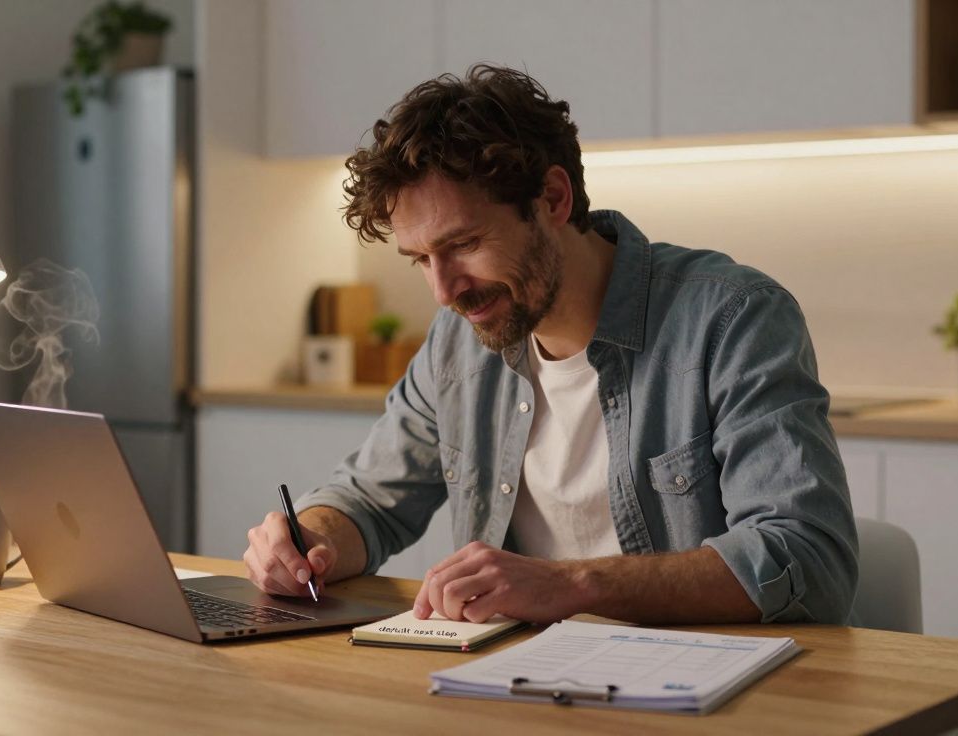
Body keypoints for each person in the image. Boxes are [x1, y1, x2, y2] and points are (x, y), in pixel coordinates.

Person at [242, 65, 858, 625]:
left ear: (554, 199)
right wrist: (308, 540)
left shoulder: (731, 318)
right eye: (420, 260)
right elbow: (371, 500)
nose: (443, 290)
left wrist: (573, 584)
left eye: (463, 244)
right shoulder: (458, 342)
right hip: (517, 684)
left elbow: (805, 555)